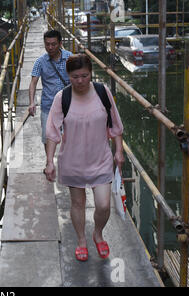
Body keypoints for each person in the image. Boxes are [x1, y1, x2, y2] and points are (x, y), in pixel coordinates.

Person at [44, 54, 125, 262]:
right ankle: (81, 240)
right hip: (73, 160)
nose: (80, 81)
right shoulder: (63, 98)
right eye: (74, 77)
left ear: (91, 74)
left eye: (84, 76)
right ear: (68, 76)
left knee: (103, 205)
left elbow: (115, 124)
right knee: (77, 203)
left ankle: (97, 233)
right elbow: (53, 132)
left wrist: (119, 151)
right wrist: (49, 162)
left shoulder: (102, 92)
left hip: (100, 159)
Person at [28, 30, 72, 155]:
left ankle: (70, 162)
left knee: (71, 136)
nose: (50, 47)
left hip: (69, 105)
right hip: (49, 105)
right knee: (47, 137)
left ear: (60, 43)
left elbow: (79, 78)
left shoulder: (70, 58)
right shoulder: (40, 62)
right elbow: (33, 83)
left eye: (53, 44)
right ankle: (49, 162)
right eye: (47, 44)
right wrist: (32, 102)